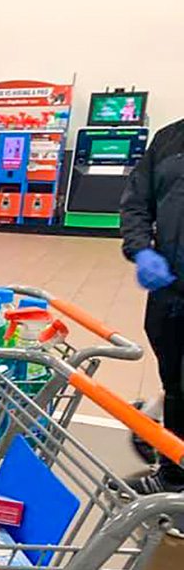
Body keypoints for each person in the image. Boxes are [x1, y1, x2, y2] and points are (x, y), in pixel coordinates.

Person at [119, 117, 184, 493]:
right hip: (169, 292)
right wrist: (142, 250)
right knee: (174, 381)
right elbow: (136, 204)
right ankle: (174, 475)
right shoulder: (169, 139)